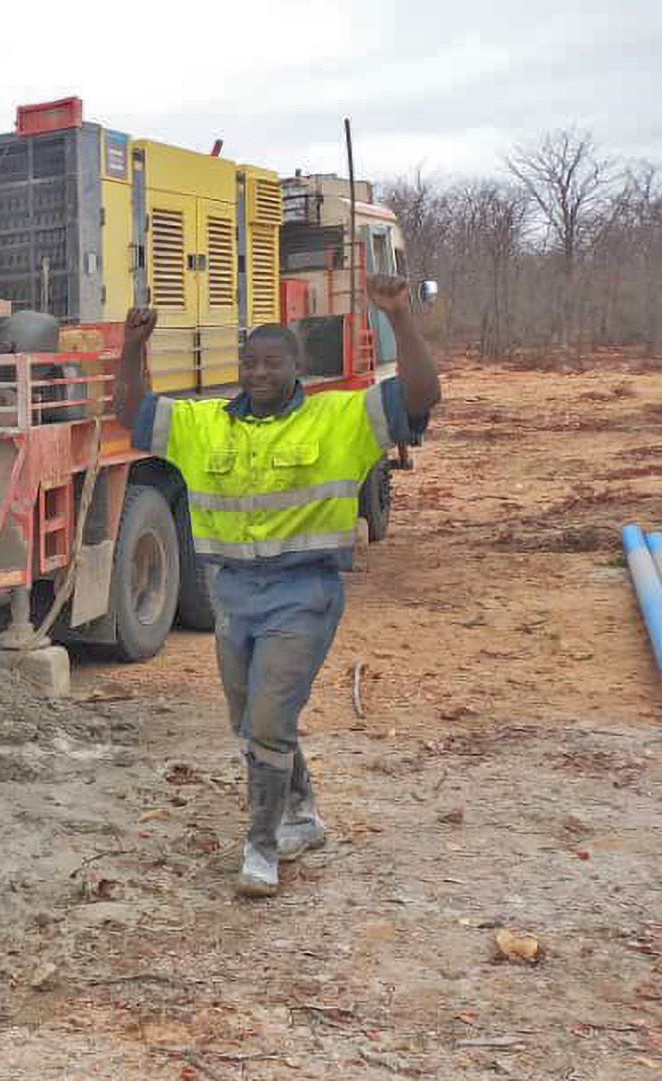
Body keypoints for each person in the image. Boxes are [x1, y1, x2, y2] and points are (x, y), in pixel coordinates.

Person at [113, 275, 441, 898]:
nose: (257, 372)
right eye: (249, 361)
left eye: (272, 362)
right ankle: (303, 814)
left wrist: (401, 318)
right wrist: (133, 348)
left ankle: (260, 850)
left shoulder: (339, 418)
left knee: (266, 722)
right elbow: (131, 413)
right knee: (254, 722)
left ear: (298, 366)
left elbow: (422, 397)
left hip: (304, 595)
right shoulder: (206, 425)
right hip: (231, 596)